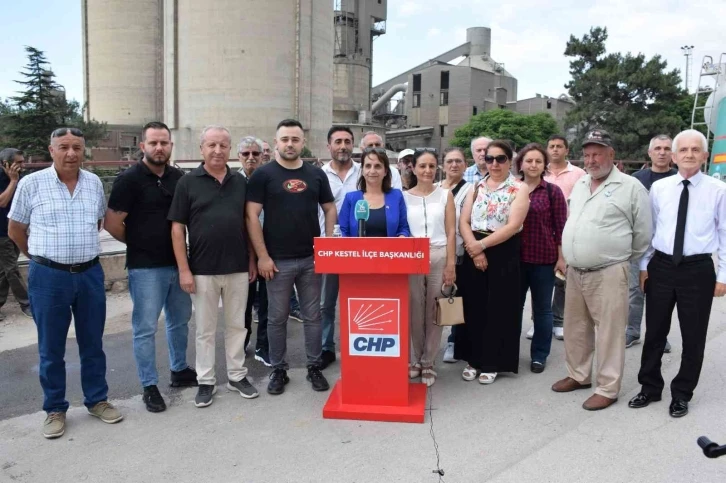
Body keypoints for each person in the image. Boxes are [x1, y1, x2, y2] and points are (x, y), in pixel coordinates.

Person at [8, 127, 122, 439]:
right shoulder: (31, 183)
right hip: (48, 277)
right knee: (51, 347)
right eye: (64, 147)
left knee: (93, 342)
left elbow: (96, 223)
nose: (71, 153)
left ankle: (97, 400)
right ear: (52, 150)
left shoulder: (94, 182)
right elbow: (15, 229)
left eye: (77, 147)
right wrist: (39, 257)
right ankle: (55, 408)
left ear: (84, 150)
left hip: (89, 274)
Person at [551, 129, 651, 411]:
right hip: (575, 270)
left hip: (609, 270)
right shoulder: (582, 183)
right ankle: (578, 375)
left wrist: (616, 257)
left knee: (609, 332)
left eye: (597, 154)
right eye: (587, 154)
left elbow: (643, 234)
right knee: (575, 327)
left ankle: (607, 387)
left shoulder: (631, 187)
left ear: (611, 154)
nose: (591, 160)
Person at [629, 129, 726, 418]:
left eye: (695, 149)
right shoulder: (660, 189)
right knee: (655, 331)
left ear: (705, 155)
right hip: (660, 267)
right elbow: (650, 231)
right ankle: (649, 387)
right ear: (674, 156)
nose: (689, 154)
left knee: (693, 336)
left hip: (697, 270)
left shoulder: (718, 190)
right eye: (683, 149)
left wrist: (723, 276)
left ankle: (682, 393)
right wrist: (644, 267)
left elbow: (725, 234)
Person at [105, 121, 196, 413]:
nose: (159, 148)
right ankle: (149, 385)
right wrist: (139, 243)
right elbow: (112, 223)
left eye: (164, 143)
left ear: (171, 146)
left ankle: (179, 369)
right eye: (153, 143)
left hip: (178, 264)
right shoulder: (128, 180)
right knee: (145, 328)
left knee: (179, 321)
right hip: (145, 268)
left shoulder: (179, 178)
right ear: (143, 146)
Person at [168, 125, 258, 408]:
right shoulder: (187, 182)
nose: (217, 151)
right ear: (202, 149)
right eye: (212, 145)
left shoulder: (240, 182)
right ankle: (206, 381)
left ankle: (236, 375)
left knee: (237, 326)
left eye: (223, 145)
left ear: (230, 149)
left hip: (238, 267)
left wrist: (252, 259)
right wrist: (184, 269)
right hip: (202, 269)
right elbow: (177, 229)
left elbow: (249, 222)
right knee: (205, 329)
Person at [246, 119, 337, 396]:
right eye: (285, 139)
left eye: (295, 139)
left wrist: (326, 244)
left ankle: (314, 367)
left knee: (313, 316)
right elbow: (251, 216)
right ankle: (278, 369)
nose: (290, 144)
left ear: (302, 142)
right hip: (276, 261)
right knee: (276, 318)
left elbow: (329, 208)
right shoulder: (263, 175)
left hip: (311, 259)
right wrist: (262, 256)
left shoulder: (316, 175)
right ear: (276, 142)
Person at [455, 140, 529, 385]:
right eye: (489, 159)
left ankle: (493, 362)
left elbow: (513, 225)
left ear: (510, 160)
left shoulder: (519, 188)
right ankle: (473, 359)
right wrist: (474, 249)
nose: (494, 164)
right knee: (474, 307)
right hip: (474, 250)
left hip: (502, 251)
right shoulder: (476, 186)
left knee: (500, 309)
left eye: (500, 158)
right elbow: (464, 221)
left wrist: (482, 246)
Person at [403, 148, 456, 386]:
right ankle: (416, 359)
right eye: (422, 166)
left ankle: (429, 362)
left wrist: (451, 264)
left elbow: (451, 231)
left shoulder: (445, 195)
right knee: (414, 309)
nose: (427, 170)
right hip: (413, 255)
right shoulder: (403, 197)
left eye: (432, 166)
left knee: (436, 310)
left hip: (439, 253)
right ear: (413, 168)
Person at [515, 143, 567, 373]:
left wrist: (561, 258)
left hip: (544, 259)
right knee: (513, 308)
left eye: (538, 161)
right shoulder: (512, 189)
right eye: (529, 160)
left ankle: (539, 355)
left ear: (544, 165)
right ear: (520, 164)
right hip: (514, 260)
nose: (533, 165)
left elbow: (561, 227)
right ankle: (509, 353)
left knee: (543, 310)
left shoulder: (552, 192)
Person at [626, 134, 677, 351]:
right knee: (635, 290)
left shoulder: (678, 179)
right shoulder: (636, 179)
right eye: (657, 148)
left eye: (666, 148)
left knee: (661, 295)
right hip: (639, 244)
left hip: (665, 247)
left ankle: (659, 336)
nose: (662, 152)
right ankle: (632, 331)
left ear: (673, 154)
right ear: (649, 153)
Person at [317, 126, 358, 370]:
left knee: (358, 302)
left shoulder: (365, 172)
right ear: (329, 146)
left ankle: (358, 348)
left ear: (353, 144)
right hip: (328, 247)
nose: (343, 146)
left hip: (358, 249)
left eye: (347, 141)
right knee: (325, 303)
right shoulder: (318, 175)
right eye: (338, 141)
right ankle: (326, 348)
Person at [543, 134, 586, 341]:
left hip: (568, 231)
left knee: (562, 277)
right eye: (551, 146)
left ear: (567, 150)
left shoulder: (579, 174)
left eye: (559, 146)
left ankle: (558, 320)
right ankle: (539, 320)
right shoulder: (540, 171)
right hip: (542, 231)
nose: (555, 149)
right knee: (541, 278)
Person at [437, 147, 473, 364]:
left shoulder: (472, 190)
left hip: (460, 253)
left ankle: (455, 341)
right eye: (449, 161)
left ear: (465, 165)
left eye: (458, 161)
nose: (454, 165)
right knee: (436, 301)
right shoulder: (434, 188)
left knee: (458, 301)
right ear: (443, 165)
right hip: (436, 253)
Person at [339, 148, 410, 237]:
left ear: (385, 171)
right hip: (357, 246)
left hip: (390, 246)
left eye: (377, 166)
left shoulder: (396, 196)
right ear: (362, 170)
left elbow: (403, 228)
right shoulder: (351, 198)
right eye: (368, 166)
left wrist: (402, 236)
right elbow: (343, 231)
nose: (372, 171)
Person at [0, 148, 32, 319]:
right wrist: (13, 181)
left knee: (4, 271)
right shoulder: (6, 178)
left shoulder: (21, 177)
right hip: (1, 233)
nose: (22, 165)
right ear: (6, 164)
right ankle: (27, 303)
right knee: (11, 269)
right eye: (18, 162)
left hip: (16, 230)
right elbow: (2, 202)